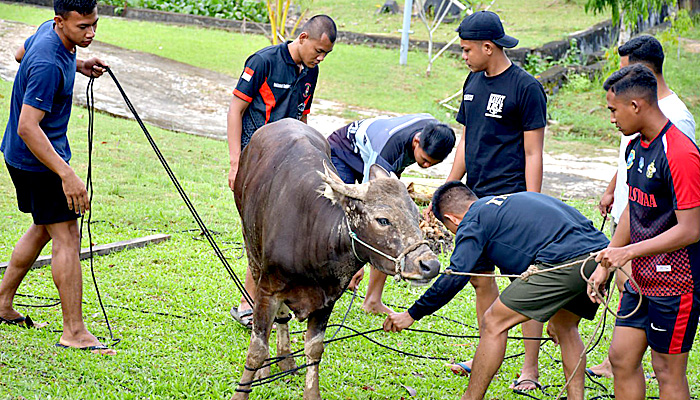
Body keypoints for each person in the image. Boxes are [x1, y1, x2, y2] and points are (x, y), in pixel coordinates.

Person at [383, 181, 610, 400]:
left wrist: (411, 314)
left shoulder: (473, 220)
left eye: (451, 229)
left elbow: (455, 277)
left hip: (564, 262)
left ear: (452, 219)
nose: (455, 234)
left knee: (494, 321)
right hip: (600, 258)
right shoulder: (509, 202)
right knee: (566, 328)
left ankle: (471, 398)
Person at [0, 0, 114, 355]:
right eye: (83, 28)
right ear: (60, 21)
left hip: (23, 155)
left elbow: (21, 53)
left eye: (94, 24)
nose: (91, 33)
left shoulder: (49, 34)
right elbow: (27, 126)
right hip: (37, 159)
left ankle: (2, 303)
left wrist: (78, 64)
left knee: (43, 228)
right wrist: (67, 174)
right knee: (66, 233)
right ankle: (74, 331)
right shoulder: (49, 61)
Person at [442, 10, 547, 390]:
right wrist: (447, 190)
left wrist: (533, 206)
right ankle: (484, 352)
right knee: (480, 279)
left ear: (489, 47)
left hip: (514, 202)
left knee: (525, 286)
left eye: (468, 49)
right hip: (476, 201)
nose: (464, 56)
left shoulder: (526, 88)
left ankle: (529, 370)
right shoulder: (472, 81)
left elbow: (533, 153)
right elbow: (467, 142)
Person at [588, 64, 700, 400]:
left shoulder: (680, 152)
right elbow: (630, 210)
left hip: (676, 282)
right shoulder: (635, 147)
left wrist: (628, 253)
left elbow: (691, 229)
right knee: (621, 359)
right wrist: (605, 263)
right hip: (639, 279)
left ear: (635, 106)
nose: (611, 119)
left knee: (667, 371)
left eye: (613, 109)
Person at [227, 15, 337, 329]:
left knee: (284, 233)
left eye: (325, 54)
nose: (320, 58)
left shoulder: (311, 73)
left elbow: (303, 118)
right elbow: (235, 110)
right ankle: (250, 306)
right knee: (260, 234)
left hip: (290, 165)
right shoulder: (262, 61)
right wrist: (236, 163)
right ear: (303, 37)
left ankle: (275, 304)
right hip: (258, 160)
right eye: (318, 50)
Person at [328, 113, 456, 312]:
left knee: (392, 227)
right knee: (342, 218)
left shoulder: (433, 131)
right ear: (416, 142)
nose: (427, 166)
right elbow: (368, 209)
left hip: (382, 162)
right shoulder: (388, 148)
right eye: (425, 160)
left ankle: (373, 301)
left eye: (433, 164)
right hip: (343, 152)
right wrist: (357, 264)